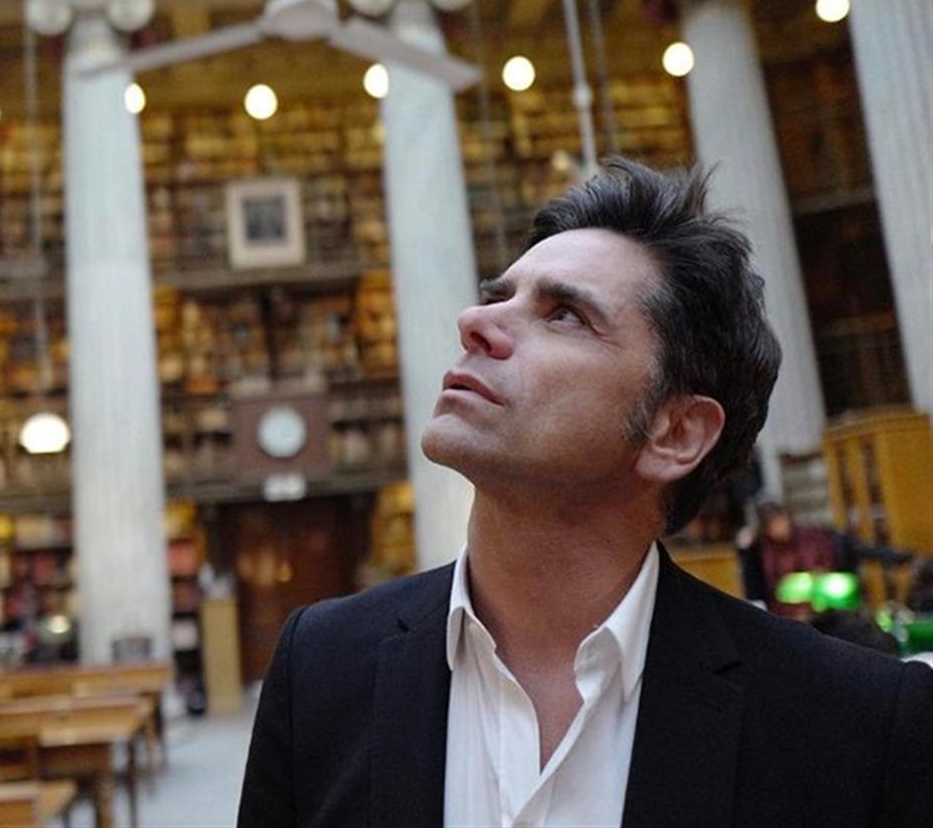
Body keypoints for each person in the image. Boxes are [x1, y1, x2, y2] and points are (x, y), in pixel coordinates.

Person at [237, 159, 932, 828]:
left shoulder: (855, 725)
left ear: (675, 432)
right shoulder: (320, 668)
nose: (474, 321)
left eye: (564, 313)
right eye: (498, 296)